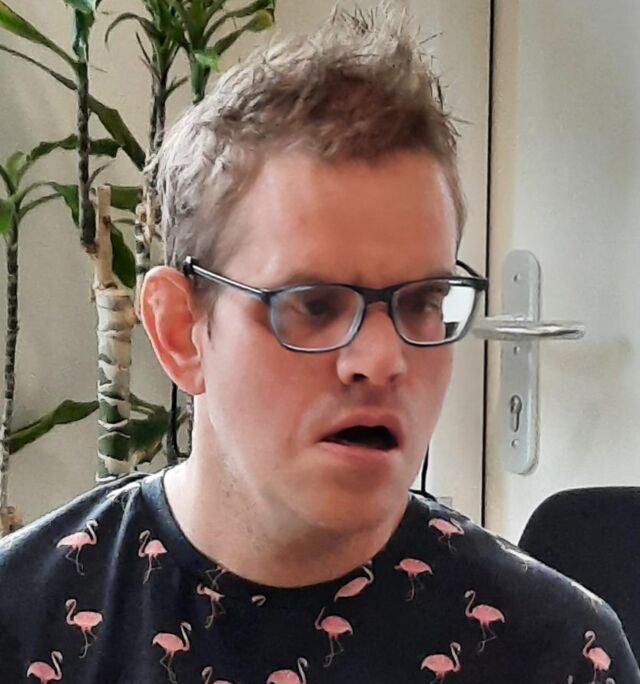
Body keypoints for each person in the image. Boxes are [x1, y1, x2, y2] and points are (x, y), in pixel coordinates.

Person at [1, 6, 638, 684]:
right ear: (180, 331)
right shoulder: (24, 622)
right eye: (313, 305)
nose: (382, 361)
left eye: (423, 302)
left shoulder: (557, 652)